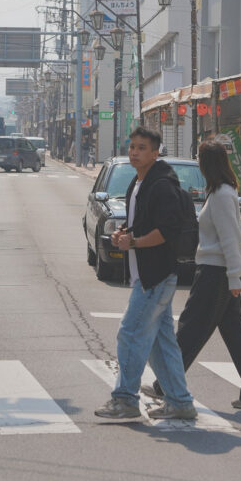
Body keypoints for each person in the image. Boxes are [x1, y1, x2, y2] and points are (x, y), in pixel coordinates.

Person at [144, 140, 241, 410]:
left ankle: (166, 384)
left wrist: (235, 277)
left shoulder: (222, 194)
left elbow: (231, 239)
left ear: (208, 164)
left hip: (215, 273)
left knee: (190, 328)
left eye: (200, 160)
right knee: (235, 332)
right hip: (218, 271)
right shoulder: (219, 192)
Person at [94, 126, 196, 421]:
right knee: (160, 343)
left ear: (155, 153)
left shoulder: (161, 186)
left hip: (156, 276)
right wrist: (124, 234)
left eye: (142, 148)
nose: (135, 152)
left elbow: (167, 230)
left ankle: (125, 399)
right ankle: (180, 402)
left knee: (130, 334)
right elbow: (142, 223)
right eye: (132, 147)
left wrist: (135, 242)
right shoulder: (139, 182)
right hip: (149, 276)